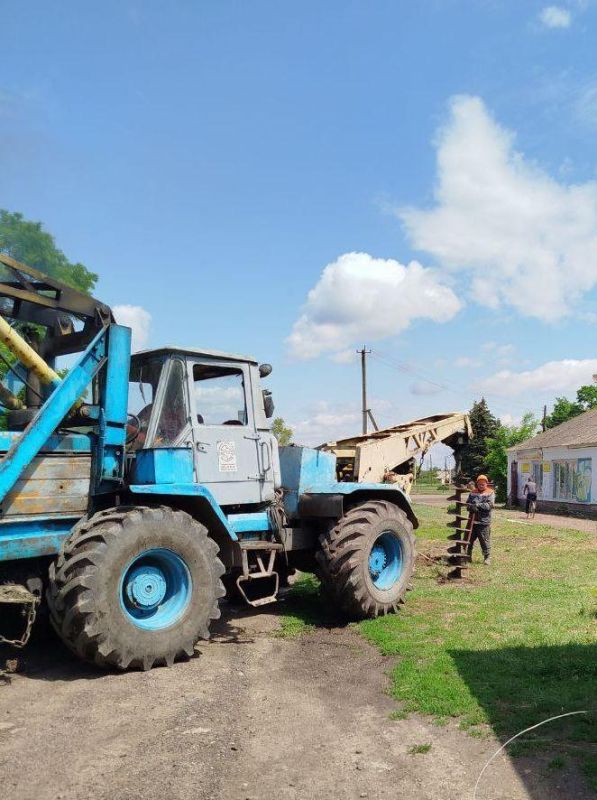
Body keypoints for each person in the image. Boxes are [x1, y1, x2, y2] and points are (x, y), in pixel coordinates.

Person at [466, 474, 495, 565]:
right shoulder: (472, 492)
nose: (481, 485)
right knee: (469, 540)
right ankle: (468, 556)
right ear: (476, 484)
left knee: (484, 540)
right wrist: (470, 507)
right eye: (479, 484)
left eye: (483, 484)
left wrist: (477, 505)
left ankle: (487, 558)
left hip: (483, 521)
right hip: (472, 521)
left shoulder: (490, 492)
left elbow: (490, 505)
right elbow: (468, 504)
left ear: (486, 484)